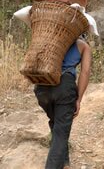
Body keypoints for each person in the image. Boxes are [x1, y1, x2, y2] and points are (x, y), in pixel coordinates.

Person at [34, 38, 91, 169]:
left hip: (42, 86)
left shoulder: (47, 38)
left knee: (56, 123)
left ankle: (65, 164)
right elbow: (85, 72)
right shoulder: (83, 45)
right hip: (64, 86)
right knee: (61, 131)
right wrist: (79, 99)